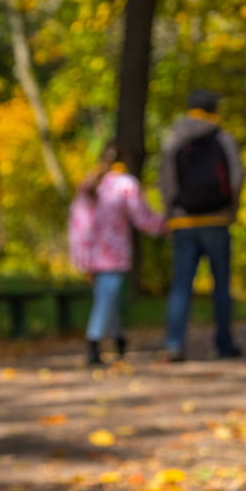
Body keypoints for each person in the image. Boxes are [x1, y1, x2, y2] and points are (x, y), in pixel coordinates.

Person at [158, 89, 245, 361]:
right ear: (214, 108)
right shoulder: (223, 138)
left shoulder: (173, 139)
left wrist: (170, 213)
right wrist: (232, 210)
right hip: (217, 219)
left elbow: (166, 180)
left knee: (181, 285)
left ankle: (174, 343)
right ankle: (223, 343)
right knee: (221, 284)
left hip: (184, 220)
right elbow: (237, 177)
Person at [68, 142, 167, 366]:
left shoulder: (90, 181)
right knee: (106, 297)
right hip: (113, 253)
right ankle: (93, 343)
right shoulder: (125, 184)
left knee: (106, 297)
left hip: (91, 253)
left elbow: (76, 223)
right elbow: (142, 217)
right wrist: (164, 225)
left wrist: (79, 255)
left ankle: (119, 339)